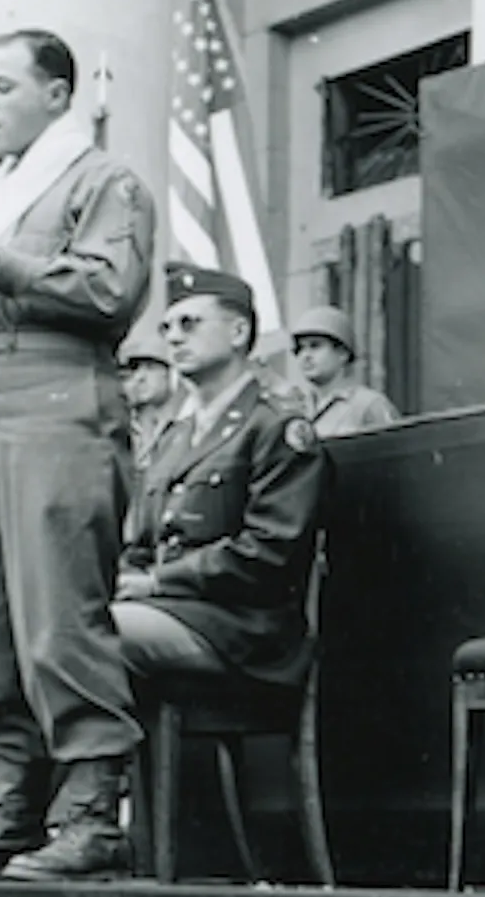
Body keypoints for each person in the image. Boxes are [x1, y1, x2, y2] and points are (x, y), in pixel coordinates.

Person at [0, 28, 154, 881]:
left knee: (58, 619)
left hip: (61, 410)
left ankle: (89, 812)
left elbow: (109, 289)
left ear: (58, 95)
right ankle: (12, 803)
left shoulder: (101, 180)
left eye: (4, 87)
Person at [117, 264, 333, 702]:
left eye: (189, 323)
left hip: (243, 629)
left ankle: (98, 770)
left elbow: (269, 554)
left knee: (82, 635)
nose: (173, 337)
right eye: (167, 327)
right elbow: (139, 543)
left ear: (238, 332)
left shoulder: (276, 428)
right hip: (167, 610)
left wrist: (157, 581)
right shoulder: (173, 438)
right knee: (48, 625)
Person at [288, 304, 398, 437]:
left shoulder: (368, 405)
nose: (305, 356)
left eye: (315, 346)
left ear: (342, 353)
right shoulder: (297, 410)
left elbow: (399, 453)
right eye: (300, 348)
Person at [119, 324, 177, 480]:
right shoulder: (121, 425)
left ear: (172, 374)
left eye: (150, 368)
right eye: (134, 370)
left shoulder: (185, 424)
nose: (140, 377)